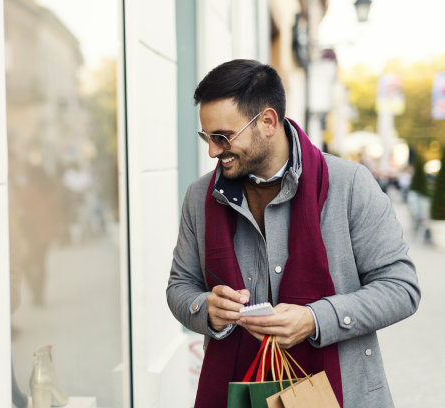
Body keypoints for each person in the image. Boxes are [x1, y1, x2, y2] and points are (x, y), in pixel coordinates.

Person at [166, 59, 420, 408]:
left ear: (268, 122)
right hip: (237, 394)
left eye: (223, 137)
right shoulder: (199, 196)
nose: (212, 150)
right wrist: (206, 308)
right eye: (207, 137)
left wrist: (316, 319)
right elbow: (179, 287)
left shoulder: (351, 185)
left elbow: (401, 288)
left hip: (344, 394)